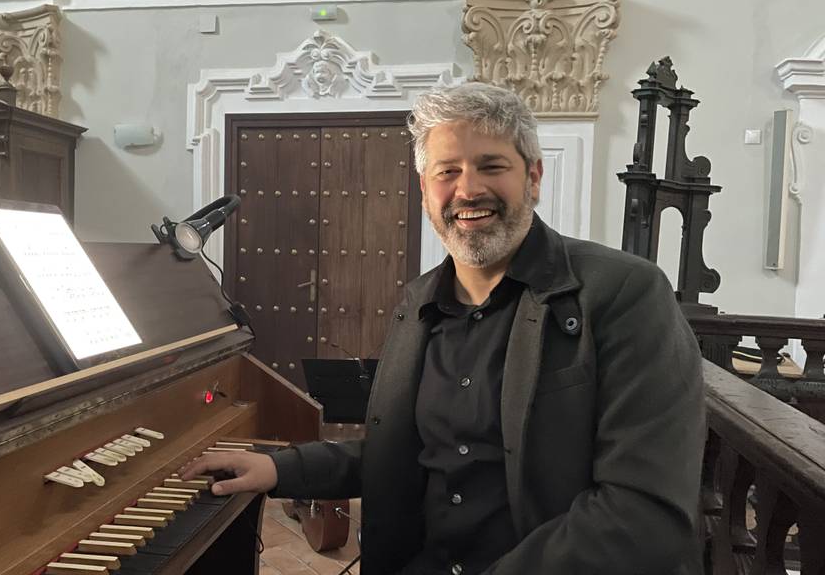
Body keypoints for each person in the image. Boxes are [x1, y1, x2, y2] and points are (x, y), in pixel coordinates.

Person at [180, 82, 706, 575]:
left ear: (534, 178)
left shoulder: (622, 293)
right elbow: (408, 451)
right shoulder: (419, 302)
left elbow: (643, 511)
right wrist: (279, 469)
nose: (468, 189)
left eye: (491, 166)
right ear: (426, 189)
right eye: (447, 171)